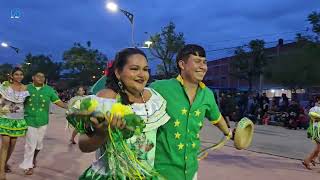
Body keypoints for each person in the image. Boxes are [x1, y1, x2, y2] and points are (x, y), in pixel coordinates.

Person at [73, 48, 170, 179]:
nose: (142, 74)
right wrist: (102, 133)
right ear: (118, 72)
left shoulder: (154, 99)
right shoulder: (105, 99)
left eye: (145, 69)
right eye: (135, 69)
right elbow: (83, 145)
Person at [150, 44, 232, 180]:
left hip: (191, 171)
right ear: (182, 64)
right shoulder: (160, 88)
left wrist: (228, 132)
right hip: (162, 172)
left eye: (205, 62)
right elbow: (136, 97)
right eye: (197, 61)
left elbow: (216, 118)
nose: (203, 66)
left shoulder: (207, 94)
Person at [19, 72, 66, 175]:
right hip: (29, 119)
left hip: (43, 120)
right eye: (38, 76)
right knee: (30, 144)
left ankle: (33, 158)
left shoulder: (49, 90)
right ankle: (28, 166)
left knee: (38, 144)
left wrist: (69, 107)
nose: (41, 78)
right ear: (33, 78)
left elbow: (57, 101)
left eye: (43, 76)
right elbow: (18, 99)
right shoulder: (26, 88)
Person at [0, 67, 29, 180]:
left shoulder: (26, 89)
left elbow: (25, 104)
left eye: (21, 74)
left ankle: (4, 163)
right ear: (12, 76)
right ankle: (1, 172)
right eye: (16, 74)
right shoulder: (5, 86)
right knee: (5, 144)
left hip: (18, 120)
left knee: (12, 145)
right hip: (5, 118)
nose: (19, 76)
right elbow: (1, 100)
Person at [302, 103, 320, 170]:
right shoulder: (315, 109)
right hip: (317, 131)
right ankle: (309, 160)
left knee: (318, 149)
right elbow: (311, 114)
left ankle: (308, 160)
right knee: (318, 149)